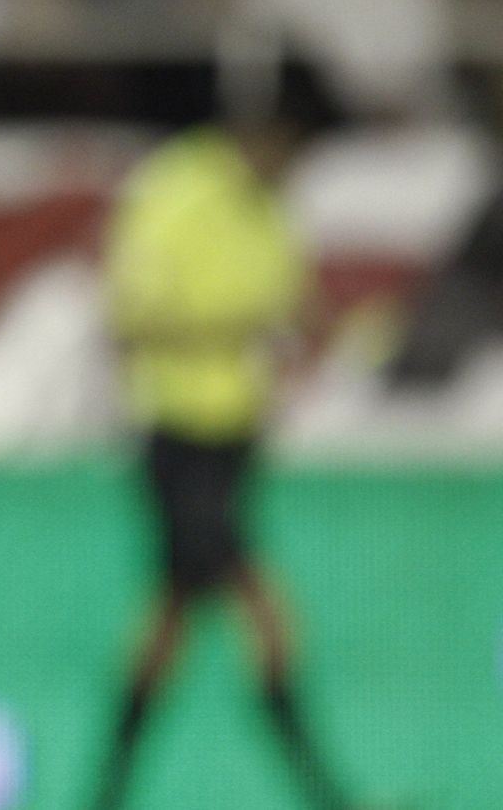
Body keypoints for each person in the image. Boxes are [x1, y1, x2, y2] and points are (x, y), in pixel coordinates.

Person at [88, 62, 363, 810]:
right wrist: (242, 328)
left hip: (237, 436)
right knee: (258, 603)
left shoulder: (272, 208)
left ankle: (105, 791)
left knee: (171, 615)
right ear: (266, 135)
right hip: (177, 433)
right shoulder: (173, 189)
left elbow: (291, 299)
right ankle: (324, 789)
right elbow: (130, 319)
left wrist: (327, 327)